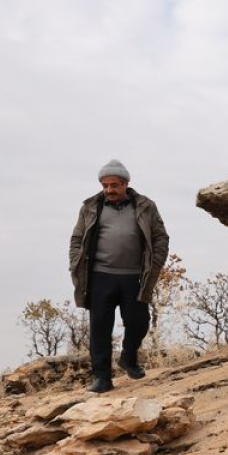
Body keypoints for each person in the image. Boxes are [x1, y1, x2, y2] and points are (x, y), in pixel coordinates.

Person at [69, 159, 169, 393]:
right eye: (105, 185)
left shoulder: (145, 206)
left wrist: (155, 264)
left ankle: (128, 357)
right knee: (100, 328)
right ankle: (102, 378)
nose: (109, 190)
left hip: (133, 276)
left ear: (125, 184)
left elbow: (160, 237)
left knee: (139, 323)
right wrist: (75, 262)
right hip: (100, 276)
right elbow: (77, 238)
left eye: (114, 185)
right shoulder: (90, 207)